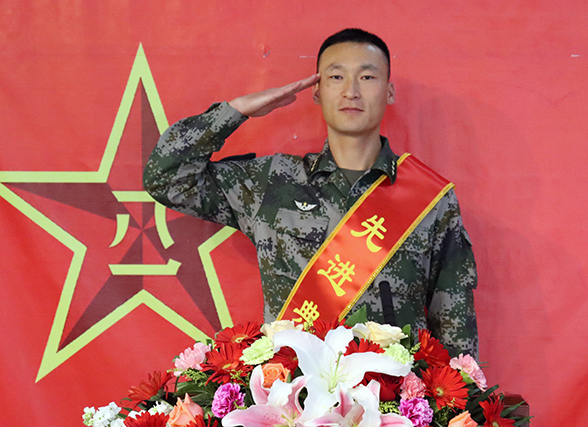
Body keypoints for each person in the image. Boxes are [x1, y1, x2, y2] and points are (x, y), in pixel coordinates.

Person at [144, 28, 478, 357]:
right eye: (336, 77)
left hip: (394, 388)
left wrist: (459, 389)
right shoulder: (270, 182)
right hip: (294, 388)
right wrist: (235, 111)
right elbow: (165, 178)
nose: (351, 91)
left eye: (367, 77)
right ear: (316, 92)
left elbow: (453, 321)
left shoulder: (428, 199)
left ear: (388, 91)